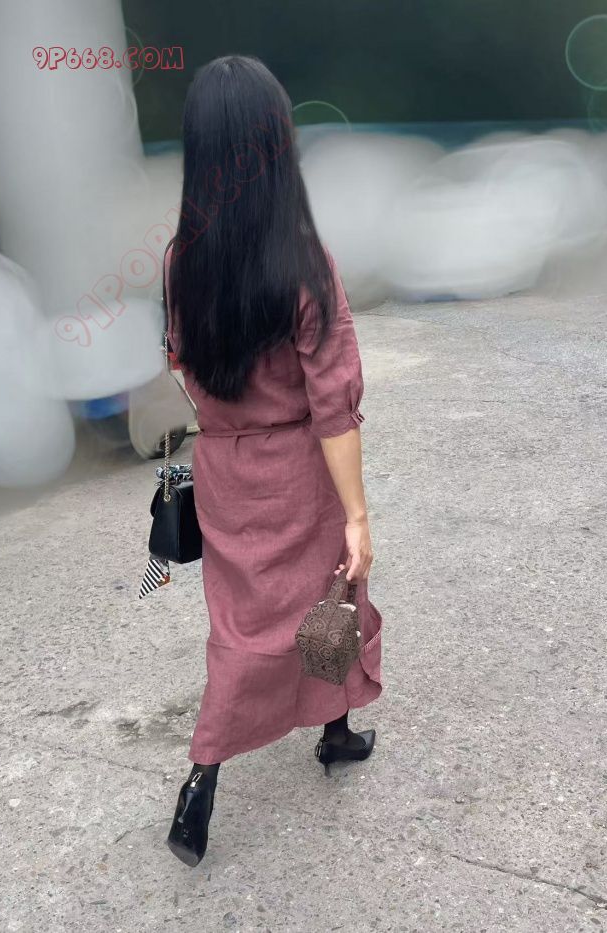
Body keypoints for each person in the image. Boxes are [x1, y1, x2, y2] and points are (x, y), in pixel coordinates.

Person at [163, 55, 383, 867]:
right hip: (299, 470)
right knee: (333, 594)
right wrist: (357, 513)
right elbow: (334, 403)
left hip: (225, 472)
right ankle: (301, 737)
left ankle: (270, 753)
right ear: (276, 142)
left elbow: (179, 362)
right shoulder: (303, 262)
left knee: (241, 626)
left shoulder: (180, 259)